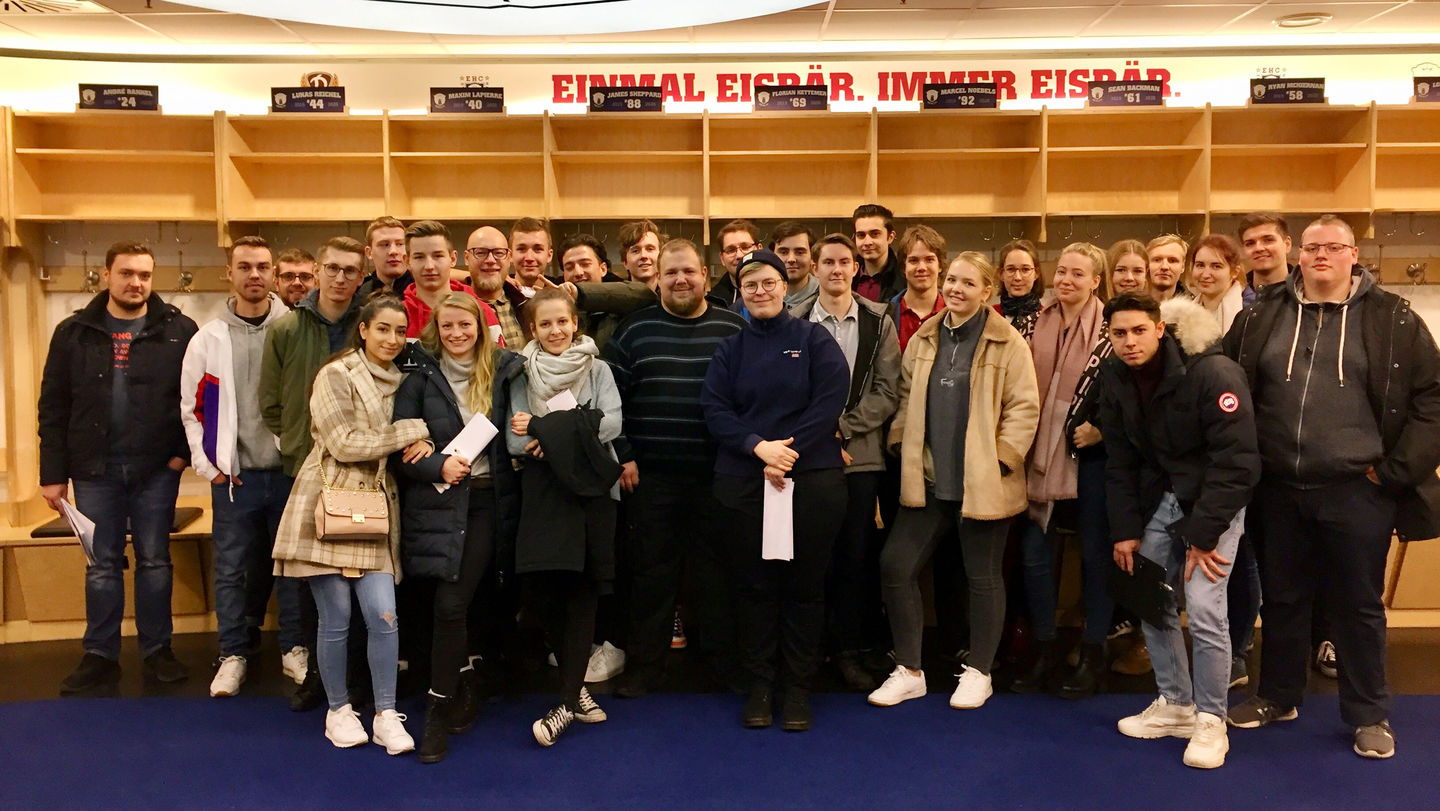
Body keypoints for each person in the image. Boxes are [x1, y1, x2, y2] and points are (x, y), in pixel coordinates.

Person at [1224, 215, 1440, 760]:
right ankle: (1278, 695)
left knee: (1358, 606)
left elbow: (1432, 400)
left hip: (1359, 489)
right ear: (1298, 254)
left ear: (1353, 254)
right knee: (1283, 599)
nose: (1322, 255)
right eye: (1313, 247)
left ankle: (1370, 715)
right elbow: (1225, 386)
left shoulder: (1394, 319)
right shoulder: (1260, 317)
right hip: (1278, 488)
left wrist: (1393, 473)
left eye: (1334, 247)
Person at [868, 252, 1039, 710]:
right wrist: (902, 441)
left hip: (984, 483)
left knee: (982, 578)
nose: (956, 289)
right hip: (927, 479)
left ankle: (979, 672)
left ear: (988, 291)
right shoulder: (925, 336)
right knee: (895, 567)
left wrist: (1002, 460)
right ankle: (909, 670)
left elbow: (1025, 407)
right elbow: (905, 396)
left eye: (968, 282)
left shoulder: (1008, 342)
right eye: (952, 280)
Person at [1101, 292, 1259, 769]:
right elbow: (1120, 460)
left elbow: (1238, 463)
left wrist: (1203, 535)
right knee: (1148, 591)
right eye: (1118, 334)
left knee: (1207, 607)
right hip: (1163, 498)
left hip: (1215, 500)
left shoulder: (1212, 373)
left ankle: (1211, 720)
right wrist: (1126, 529)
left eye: (1138, 331)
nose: (1129, 342)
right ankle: (1176, 705)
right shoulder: (1114, 376)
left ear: (1160, 329)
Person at [272, 294, 432, 755]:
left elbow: (400, 439)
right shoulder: (335, 375)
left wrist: (420, 438)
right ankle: (338, 710)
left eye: (401, 331)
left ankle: (385, 713)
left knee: (384, 615)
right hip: (329, 502)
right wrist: (411, 432)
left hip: (378, 508)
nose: (392, 339)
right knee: (336, 618)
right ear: (363, 330)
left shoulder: (406, 379)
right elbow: (344, 443)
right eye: (383, 328)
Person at [701, 248, 850, 732]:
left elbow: (829, 401)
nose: (760, 291)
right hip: (744, 480)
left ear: (785, 286)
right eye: (750, 285)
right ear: (739, 293)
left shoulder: (815, 340)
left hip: (810, 480)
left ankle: (799, 689)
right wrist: (758, 448)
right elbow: (716, 409)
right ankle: (761, 687)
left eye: (768, 283)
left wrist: (788, 453)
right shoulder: (731, 348)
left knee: (805, 589)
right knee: (753, 589)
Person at [40, 241, 198, 695]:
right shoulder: (74, 332)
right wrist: (52, 475)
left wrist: (180, 457)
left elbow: (196, 399)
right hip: (93, 470)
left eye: (145, 275)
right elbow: (53, 406)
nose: (136, 283)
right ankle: (99, 655)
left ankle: (157, 651)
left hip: (156, 471)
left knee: (154, 562)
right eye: (127, 273)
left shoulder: (179, 330)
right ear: (105, 274)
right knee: (101, 566)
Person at [603, 238, 747, 698]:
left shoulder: (733, 328)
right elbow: (609, 401)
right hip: (652, 477)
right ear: (657, 279)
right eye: (671, 273)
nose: (680, 279)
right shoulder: (633, 330)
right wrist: (624, 452)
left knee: (717, 575)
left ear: (705, 275)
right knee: (650, 574)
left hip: (718, 475)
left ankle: (722, 665)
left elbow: (749, 397)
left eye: (688, 271)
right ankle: (646, 665)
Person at [394, 292, 525, 763]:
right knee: (445, 605)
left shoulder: (507, 368)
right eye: (446, 326)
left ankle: (450, 693)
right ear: (435, 328)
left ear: (481, 326)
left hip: (490, 503)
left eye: (464, 325)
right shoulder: (419, 375)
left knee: (460, 603)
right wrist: (436, 467)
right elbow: (402, 451)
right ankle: (440, 704)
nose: (456, 334)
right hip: (440, 504)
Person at [180, 236, 306, 697]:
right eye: (245, 267)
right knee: (231, 570)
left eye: (262, 267)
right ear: (228, 274)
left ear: (273, 274)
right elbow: (192, 408)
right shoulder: (208, 339)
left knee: (292, 569)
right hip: (235, 479)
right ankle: (233, 654)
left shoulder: (294, 329)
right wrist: (209, 466)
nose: (254, 275)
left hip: (289, 474)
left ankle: (294, 648)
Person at [507, 288, 624, 747]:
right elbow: (515, 441)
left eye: (562, 322)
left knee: (584, 594)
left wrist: (543, 430)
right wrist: (573, 426)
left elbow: (612, 423)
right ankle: (575, 692)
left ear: (575, 323)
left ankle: (567, 700)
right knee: (544, 594)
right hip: (543, 495)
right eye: (545, 324)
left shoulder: (600, 370)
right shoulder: (520, 373)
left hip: (594, 496)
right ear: (532, 329)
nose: (555, 331)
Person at [260, 235, 368, 709]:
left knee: (360, 579)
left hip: (362, 474)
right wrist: (306, 447)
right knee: (310, 579)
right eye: (333, 268)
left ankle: (358, 676)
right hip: (306, 471)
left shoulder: (368, 324)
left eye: (350, 270)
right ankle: (317, 678)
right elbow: (271, 403)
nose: (340, 278)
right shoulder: (286, 329)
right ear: (318, 270)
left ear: (361, 277)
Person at [790, 234, 901, 691]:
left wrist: (843, 428)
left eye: (844, 262)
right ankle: (808, 650)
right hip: (806, 458)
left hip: (860, 457)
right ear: (815, 268)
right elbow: (787, 390)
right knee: (810, 556)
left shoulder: (879, 320)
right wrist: (819, 434)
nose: (836, 269)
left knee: (855, 558)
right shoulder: (792, 319)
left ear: (856, 268)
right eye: (828, 262)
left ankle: (849, 649)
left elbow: (888, 390)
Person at [1011, 241, 1109, 695]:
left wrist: (1102, 430)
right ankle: (1044, 650)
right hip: (1035, 458)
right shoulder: (1034, 322)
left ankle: (1091, 654)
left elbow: (1130, 395)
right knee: (1033, 557)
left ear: (1095, 281)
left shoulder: (1112, 329)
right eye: (1062, 271)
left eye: (1077, 274)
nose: (1066, 280)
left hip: (1091, 462)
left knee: (1094, 561)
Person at [401, 220, 501, 344]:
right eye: (419, 257)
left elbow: (498, 362)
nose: (429, 266)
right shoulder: (397, 317)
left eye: (437, 256)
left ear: (453, 259)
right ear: (407, 262)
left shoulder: (482, 312)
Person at [464, 225, 529, 350]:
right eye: (481, 253)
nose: (490, 260)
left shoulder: (528, 306)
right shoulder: (452, 308)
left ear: (509, 257)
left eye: (498, 253)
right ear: (467, 258)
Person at [890, 225, 947, 352]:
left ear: (940, 265)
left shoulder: (954, 313)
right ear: (903, 268)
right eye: (914, 260)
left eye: (929, 259)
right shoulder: (887, 316)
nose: (921, 267)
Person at [1189, 233, 1251, 332]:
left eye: (1216, 266)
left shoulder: (1250, 312)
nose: (1205, 274)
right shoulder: (1184, 314)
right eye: (1200, 265)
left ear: (1234, 272)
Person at [852, 203, 906, 303]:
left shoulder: (905, 279)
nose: (867, 242)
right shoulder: (847, 277)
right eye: (861, 235)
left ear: (890, 237)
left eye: (875, 234)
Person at [995, 238, 1044, 337]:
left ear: (1036, 273)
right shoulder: (989, 316)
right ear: (1001, 274)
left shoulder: (1047, 318)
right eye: (1011, 269)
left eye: (1025, 269)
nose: (1017, 277)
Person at [357, 216, 412, 300]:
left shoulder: (422, 290)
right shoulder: (359, 295)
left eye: (400, 244)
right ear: (369, 252)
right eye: (384, 244)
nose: (393, 251)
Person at [1238, 211, 1294, 293]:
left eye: (1268, 240)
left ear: (1287, 244)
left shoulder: (1307, 293)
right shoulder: (1233, 297)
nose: (1258, 248)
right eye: (1250, 243)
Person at [710, 219, 761, 306]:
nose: (739, 255)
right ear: (722, 258)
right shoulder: (713, 302)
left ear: (759, 249)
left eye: (745, 247)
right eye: (731, 250)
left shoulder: (777, 293)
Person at [771, 221, 820, 310]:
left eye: (800, 252)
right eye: (784, 252)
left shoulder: (826, 297)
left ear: (812, 256)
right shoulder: (761, 296)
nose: (791, 259)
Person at [510, 217, 555, 297]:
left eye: (537, 249)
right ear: (510, 255)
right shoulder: (499, 293)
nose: (529, 258)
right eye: (521, 249)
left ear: (549, 255)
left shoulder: (560, 294)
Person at [618, 219, 664, 287]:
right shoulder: (616, 297)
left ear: (661, 258)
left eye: (650, 249)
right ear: (625, 262)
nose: (643, 255)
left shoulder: (672, 297)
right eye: (635, 251)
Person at [1146, 234, 1188, 302]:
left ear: (1183, 266)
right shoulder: (1129, 308)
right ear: (1146, 265)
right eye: (1157, 260)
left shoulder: (1193, 310)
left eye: (1172, 260)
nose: (1164, 267)